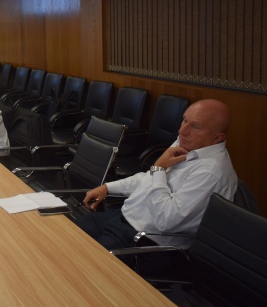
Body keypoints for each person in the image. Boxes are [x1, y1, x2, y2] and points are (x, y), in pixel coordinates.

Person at [76, 99, 237, 270]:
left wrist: (159, 169)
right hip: (121, 219)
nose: (182, 131)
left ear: (217, 138)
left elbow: (166, 221)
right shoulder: (187, 144)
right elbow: (149, 179)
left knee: (81, 267)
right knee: (64, 235)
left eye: (195, 127)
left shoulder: (211, 172)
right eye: (184, 120)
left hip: (145, 242)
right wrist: (108, 187)